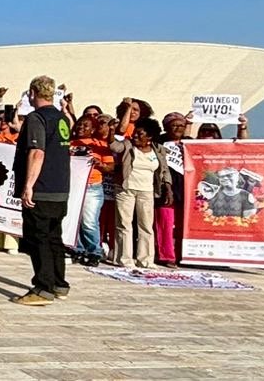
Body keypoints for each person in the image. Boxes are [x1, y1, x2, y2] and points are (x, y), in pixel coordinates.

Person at [12, 76, 71, 306]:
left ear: (33, 92)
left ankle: (43, 287)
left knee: (39, 238)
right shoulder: (61, 118)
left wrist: (28, 186)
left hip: (42, 189)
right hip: (60, 189)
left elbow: (37, 152)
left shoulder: (37, 118)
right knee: (54, 237)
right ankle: (59, 283)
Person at [109, 119, 171, 268]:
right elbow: (113, 146)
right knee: (124, 224)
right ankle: (124, 259)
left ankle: (146, 260)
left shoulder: (158, 149)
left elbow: (164, 170)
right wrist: (112, 130)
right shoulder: (128, 145)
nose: (135, 136)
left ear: (149, 137)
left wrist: (168, 187)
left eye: (140, 134)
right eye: (135, 133)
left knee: (146, 225)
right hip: (126, 189)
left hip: (147, 191)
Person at [69, 115, 112, 266]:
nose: (81, 128)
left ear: (93, 129)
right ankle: (77, 249)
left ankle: (94, 251)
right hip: (73, 186)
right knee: (75, 220)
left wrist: (99, 164)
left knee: (89, 222)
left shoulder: (100, 145)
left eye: (85, 126)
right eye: (79, 125)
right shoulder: (69, 144)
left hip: (92, 187)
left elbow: (110, 167)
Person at [155, 111, 189, 266]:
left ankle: (184, 255)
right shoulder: (158, 142)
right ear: (166, 127)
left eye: (181, 125)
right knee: (165, 224)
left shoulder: (190, 143)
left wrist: (241, 127)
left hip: (186, 189)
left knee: (184, 226)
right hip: (164, 188)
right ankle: (167, 256)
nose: (177, 128)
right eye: (173, 125)